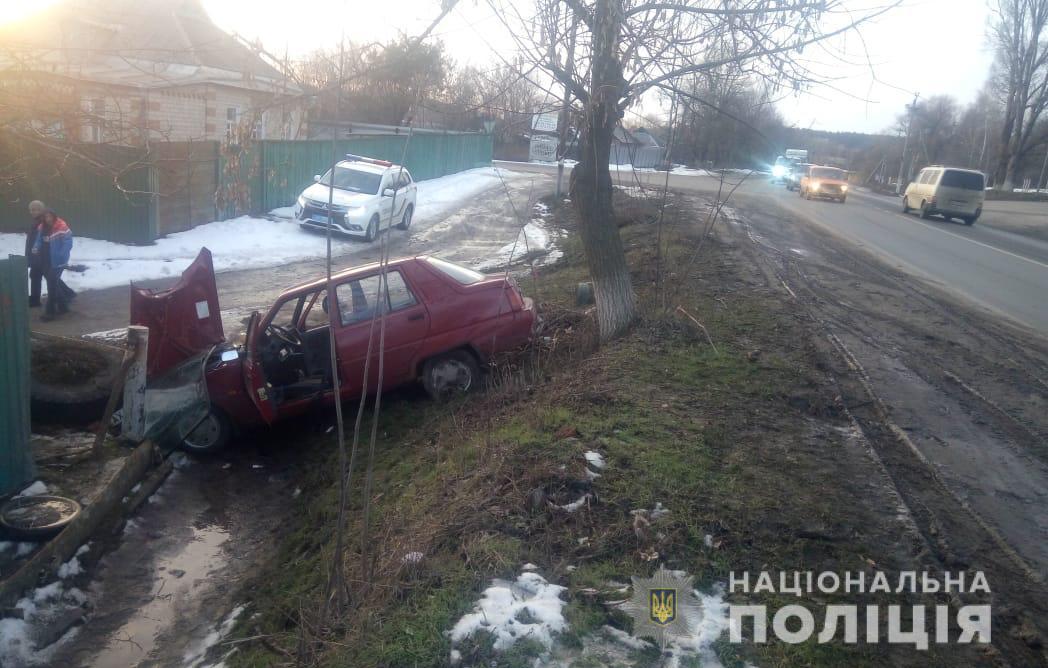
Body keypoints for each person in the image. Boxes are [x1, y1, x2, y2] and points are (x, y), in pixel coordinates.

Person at [32, 210, 75, 321]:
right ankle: (63, 306)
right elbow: (38, 240)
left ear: (54, 216)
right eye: (46, 216)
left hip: (58, 261)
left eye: (50, 216)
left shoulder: (61, 226)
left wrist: (61, 254)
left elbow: (68, 242)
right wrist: (36, 247)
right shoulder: (42, 227)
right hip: (45, 259)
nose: (48, 219)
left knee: (51, 284)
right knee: (53, 283)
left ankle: (49, 312)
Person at [26, 200, 47, 307]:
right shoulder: (36, 221)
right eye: (32, 210)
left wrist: (37, 256)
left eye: (37, 209)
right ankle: (34, 299)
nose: (34, 212)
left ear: (42, 210)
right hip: (35, 255)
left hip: (40, 256)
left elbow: (42, 240)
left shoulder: (42, 221)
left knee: (39, 275)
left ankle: (35, 300)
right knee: (37, 276)